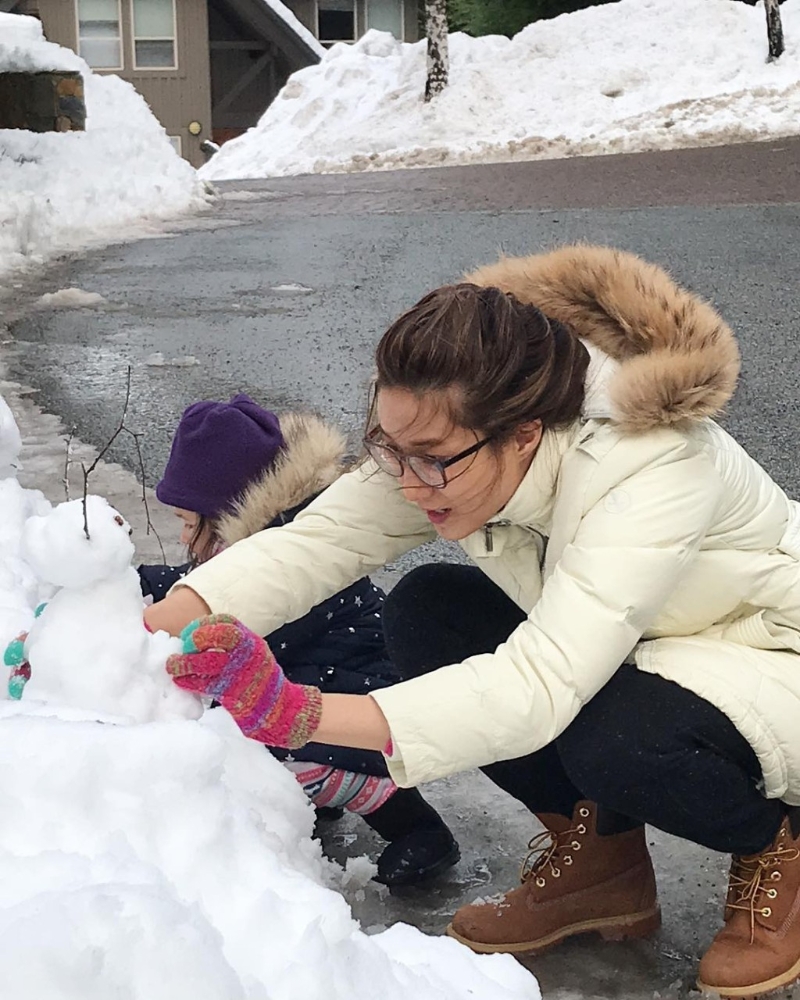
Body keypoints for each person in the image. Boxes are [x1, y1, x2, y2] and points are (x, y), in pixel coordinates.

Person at [146, 244, 800, 999]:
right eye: (388, 448)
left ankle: (773, 844)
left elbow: (540, 685)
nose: (407, 479)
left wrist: (304, 714)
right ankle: (603, 862)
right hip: (638, 651)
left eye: (430, 459)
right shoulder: (450, 434)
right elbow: (319, 540)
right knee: (430, 611)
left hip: (765, 650)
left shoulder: (649, 464)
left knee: (609, 729)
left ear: (525, 431)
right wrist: (131, 634)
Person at [140, 396, 459, 886]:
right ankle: (319, 798)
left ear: (228, 511)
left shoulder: (291, 556)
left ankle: (418, 828)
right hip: (310, 682)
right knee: (262, 732)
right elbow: (197, 586)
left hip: (356, 696)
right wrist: (136, 581)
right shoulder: (240, 546)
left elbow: (233, 630)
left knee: (269, 749)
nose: (184, 538)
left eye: (188, 523)